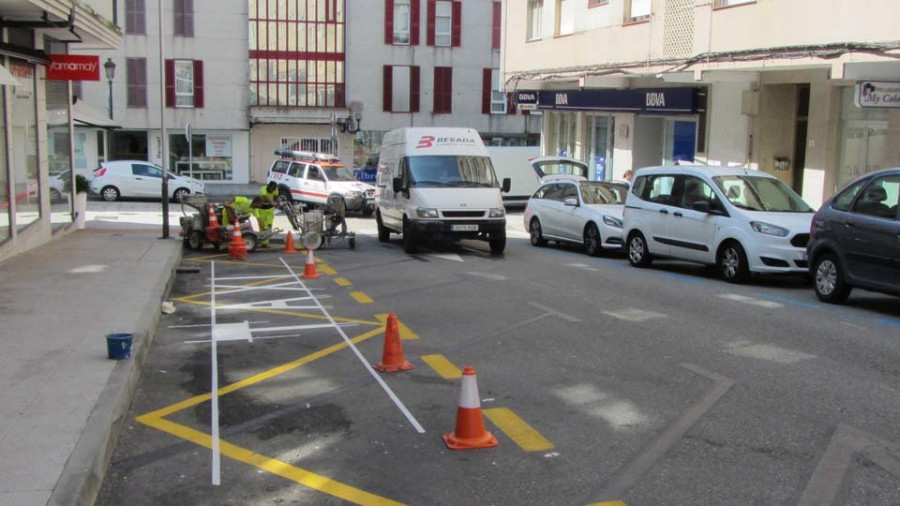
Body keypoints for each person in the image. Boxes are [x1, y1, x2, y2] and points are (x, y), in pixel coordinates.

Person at [257, 181, 279, 248]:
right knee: (262, 226)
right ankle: (262, 242)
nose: (271, 191)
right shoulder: (263, 189)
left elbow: (276, 196)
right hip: (261, 209)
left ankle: (266, 242)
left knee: (269, 225)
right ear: (268, 187)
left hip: (270, 210)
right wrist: (272, 202)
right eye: (270, 190)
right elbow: (265, 197)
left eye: (272, 190)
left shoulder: (275, 189)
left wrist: (278, 202)